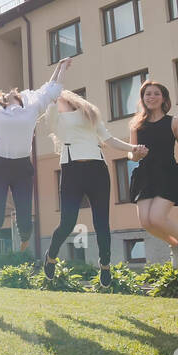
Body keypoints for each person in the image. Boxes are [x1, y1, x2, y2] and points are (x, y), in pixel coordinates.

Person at [0, 57, 72, 255]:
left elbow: (52, 89)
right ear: (3, 98)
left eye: (16, 92)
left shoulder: (32, 108)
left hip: (22, 168)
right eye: (9, 93)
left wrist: (60, 67)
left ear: (22, 97)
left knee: (24, 218)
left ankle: (25, 237)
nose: (13, 92)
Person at [42, 91, 147, 288]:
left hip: (97, 169)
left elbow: (108, 138)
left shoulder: (88, 113)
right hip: (71, 169)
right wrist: (57, 79)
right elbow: (50, 102)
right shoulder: (56, 117)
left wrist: (132, 148)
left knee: (101, 222)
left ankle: (105, 265)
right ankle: (51, 256)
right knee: (67, 222)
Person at [127, 81, 178, 267]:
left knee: (157, 218)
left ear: (163, 98)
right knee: (146, 222)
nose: (151, 97)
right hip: (145, 175)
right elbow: (131, 155)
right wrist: (135, 154)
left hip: (167, 174)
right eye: (147, 94)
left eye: (156, 94)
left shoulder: (174, 122)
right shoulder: (136, 124)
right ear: (143, 98)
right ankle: (175, 244)